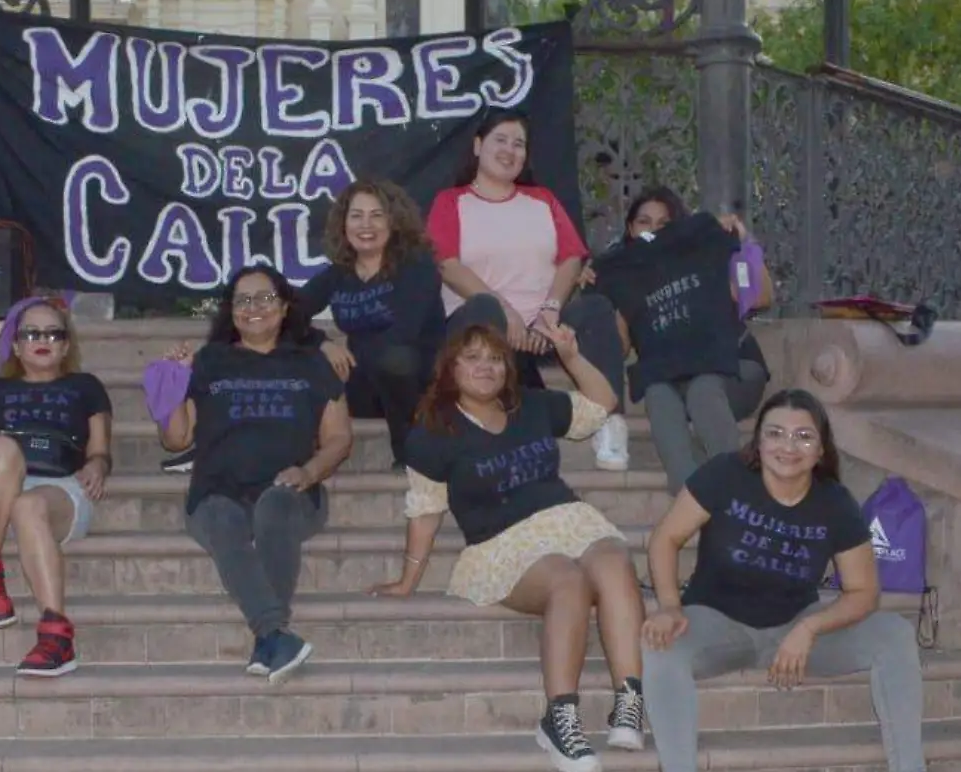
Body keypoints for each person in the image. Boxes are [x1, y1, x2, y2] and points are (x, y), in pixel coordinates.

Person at [640, 389, 961, 772]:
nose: (787, 447)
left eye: (802, 437)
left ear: (820, 449)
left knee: (892, 632)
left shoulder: (834, 503)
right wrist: (668, 607)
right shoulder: (725, 475)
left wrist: (810, 627)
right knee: (661, 644)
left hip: (795, 628)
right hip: (718, 623)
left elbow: (863, 592)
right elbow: (664, 538)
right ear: (757, 441)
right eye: (774, 433)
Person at [372, 323, 647, 772]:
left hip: (568, 519)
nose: (486, 367)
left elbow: (603, 404)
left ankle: (629, 701)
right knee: (568, 579)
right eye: (473, 358)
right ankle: (560, 718)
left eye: (495, 359)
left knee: (614, 559)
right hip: (502, 543)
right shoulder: (432, 434)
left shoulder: (533, 407)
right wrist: (408, 579)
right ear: (451, 368)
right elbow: (424, 511)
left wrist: (571, 355)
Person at [160, 266, 354, 682]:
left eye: (265, 298)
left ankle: (271, 638)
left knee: (276, 501)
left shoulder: (311, 363)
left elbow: (339, 439)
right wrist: (173, 385)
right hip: (216, 489)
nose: (254, 308)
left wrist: (309, 471)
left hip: (293, 491)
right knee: (220, 516)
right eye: (243, 300)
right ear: (230, 311)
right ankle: (272, 634)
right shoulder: (209, 361)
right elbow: (176, 440)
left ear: (284, 307)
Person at [427, 108, 631, 472]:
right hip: (485, 327)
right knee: (485, 310)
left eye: (518, 144)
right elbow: (448, 265)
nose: (509, 150)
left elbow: (571, 257)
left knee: (596, 308)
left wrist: (549, 312)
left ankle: (610, 422)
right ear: (477, 146)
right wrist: (507, 314)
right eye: (500, 140)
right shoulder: (450, 202)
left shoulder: (542, 200)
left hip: (543, 328)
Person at [0, 296, 112, 677]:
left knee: (28, 506)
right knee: (5, 447)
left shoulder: (86, 386)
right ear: (16, 344)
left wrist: (97, 465)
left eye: (53, 333)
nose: (43, 339)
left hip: (58, 490)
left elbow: (101, 450)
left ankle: (56, 637)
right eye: (31, 333)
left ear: (66, 345)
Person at [590, 186, 773, 493]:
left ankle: (735, 489)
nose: (653, 230)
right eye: (644, 222)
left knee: (703, 388)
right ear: (630, 229)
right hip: (672, 380)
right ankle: (691, 496)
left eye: (664, 223)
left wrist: (744, 243)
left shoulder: (702, 254)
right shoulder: (623, 278)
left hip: (735, 369)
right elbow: (618, 349)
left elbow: (761, 297)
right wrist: (599, 299)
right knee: (657, 392)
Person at [297, 179, 447, 470]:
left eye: (377, 215)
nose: (366, 225)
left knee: (394, 357)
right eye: (356, 216)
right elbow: (287, 314)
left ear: (394, 222)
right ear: (344, 224)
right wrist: (322, 343)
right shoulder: (338, 274)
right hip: (367, 385)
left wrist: (350, 355)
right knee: (303, 358)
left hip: (418, 384)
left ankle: (411, 453)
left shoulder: (417, 265)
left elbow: (404, 333)